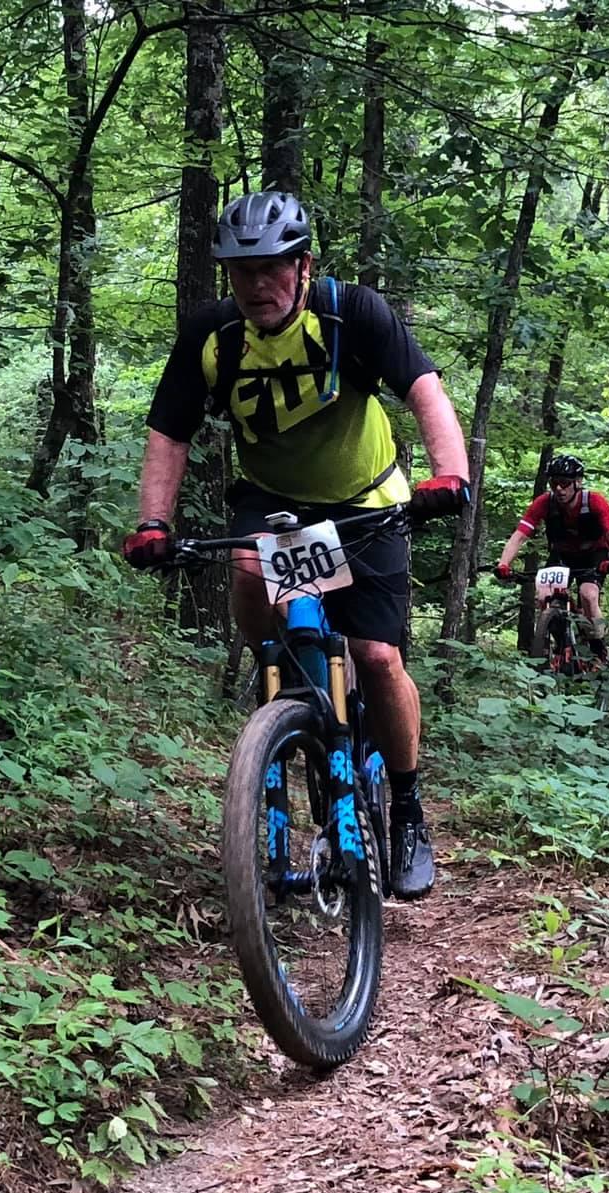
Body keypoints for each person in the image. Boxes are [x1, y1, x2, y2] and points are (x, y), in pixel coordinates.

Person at [120, 190, 470, 901]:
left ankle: (406, 810)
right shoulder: (212, 337)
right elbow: (170, 432)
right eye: (240, 271)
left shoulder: (352, 313)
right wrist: (153, 523)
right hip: (274, 501)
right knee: (249, 573)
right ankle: (276, 683)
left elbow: (425, 390)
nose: (256, 285)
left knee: (376, 656)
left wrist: (449, 477)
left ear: (303, 266)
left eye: (272, 268)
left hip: (366, 500)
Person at [494, 455, 609, 664]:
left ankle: (599, 647)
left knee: (588, 594)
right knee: (543, 595)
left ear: (577, 483)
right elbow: (519, 536)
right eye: (554, 483)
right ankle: (556, 640)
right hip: (562, 555)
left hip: (593, 555)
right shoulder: (545, 503)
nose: (559, 489)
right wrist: (503, 564)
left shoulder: (594, 501)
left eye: (564, 483)